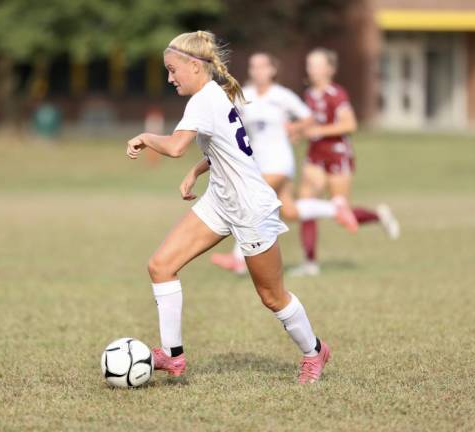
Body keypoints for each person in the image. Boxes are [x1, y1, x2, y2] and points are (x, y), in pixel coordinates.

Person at [126, 31, 330, 384]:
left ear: (194, 66)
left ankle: (314, 352)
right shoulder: (213, 96)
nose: (170, 78)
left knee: (272, 296)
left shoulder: (204, 100)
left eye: (173, 70)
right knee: (161, 266)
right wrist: (196, 170)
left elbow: (175, 147)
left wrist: (146, 137)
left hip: (251, 208)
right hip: (221, 201)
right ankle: (173, 357)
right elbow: (223, 149)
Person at [210, 52, 357, 274]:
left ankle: (237, 258)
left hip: (279, 161)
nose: (258, 71)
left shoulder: (283, 95)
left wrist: (295, 129)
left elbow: (308, 118)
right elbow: (229, 119)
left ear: (272, 70)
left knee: (251, 200)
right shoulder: (244, 95)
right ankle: (334, 209)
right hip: (258, 162)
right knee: (289, 210)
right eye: (253, 67)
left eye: (262, 66)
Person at [290, 48, 400, 277]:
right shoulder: (309, 94)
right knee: (306, 205)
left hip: (338, 155)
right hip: (315, 155)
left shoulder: (336, 94)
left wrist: (318, 130)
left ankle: (379, 217)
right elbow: (308, 126)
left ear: (329, 69)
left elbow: (350, 125)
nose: (311, 69)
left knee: (341, 211)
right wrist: (297, 133)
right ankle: (310, 263)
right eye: (309, 64)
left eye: (316, 65)